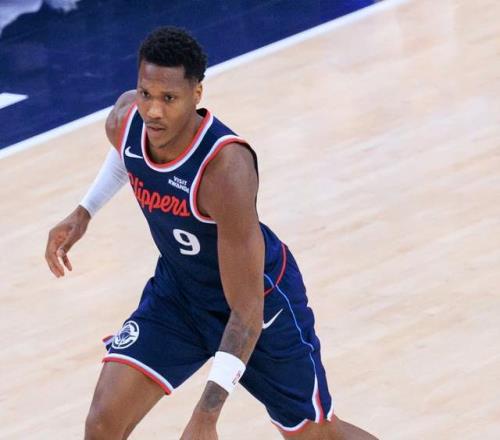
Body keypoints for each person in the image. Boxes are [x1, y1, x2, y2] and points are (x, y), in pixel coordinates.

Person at [45, 26, 378, 440]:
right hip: (179, 294)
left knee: (317, 435)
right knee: (102, 423)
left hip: (258, 303)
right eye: (146, 94)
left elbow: (247, 310)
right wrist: (84, 211)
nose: (153, 111)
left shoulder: (226, 170)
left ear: (196, 95)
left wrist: (206, 415)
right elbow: (128, 154)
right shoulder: (127, 119)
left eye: (169, 99)